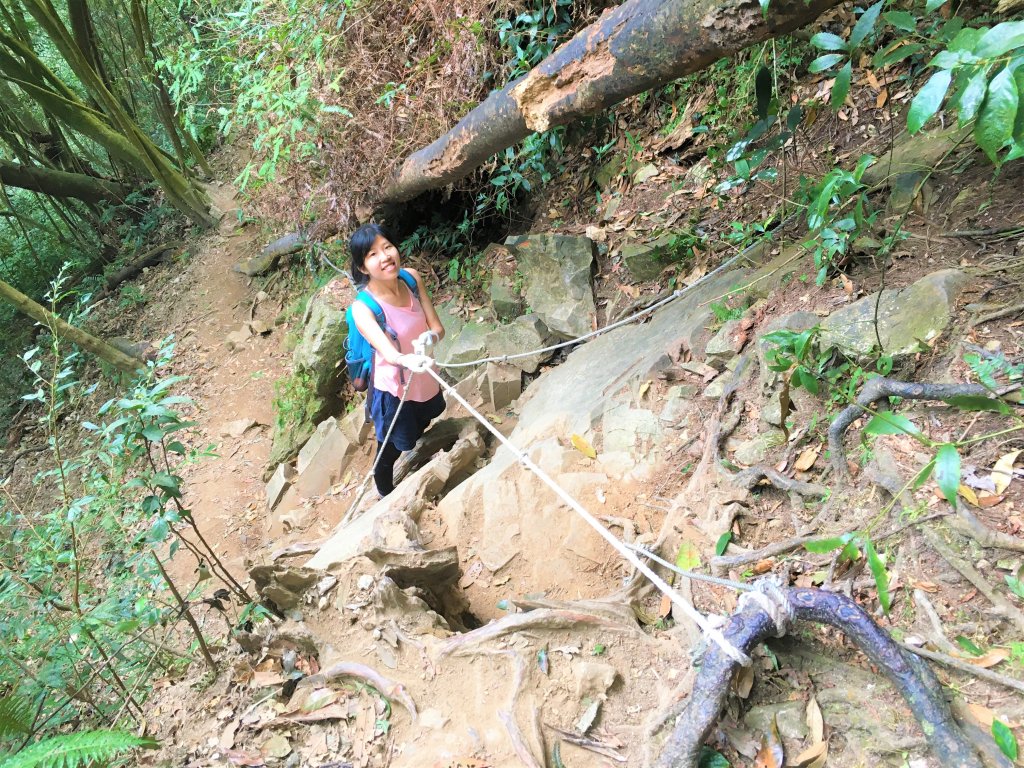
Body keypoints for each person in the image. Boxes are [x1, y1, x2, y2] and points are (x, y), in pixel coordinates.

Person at [349, 223, 446, 497]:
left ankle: (416, 460)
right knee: (390, 449)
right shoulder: (363, 308)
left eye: (387, 247)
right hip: (394, 391)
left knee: (422, 424)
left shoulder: (412, 279)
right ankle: (384, 493)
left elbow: (437, 328)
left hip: (425, 378)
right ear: (363, 268)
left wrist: (431, 339)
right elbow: (388, 353)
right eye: (372, 254)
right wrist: (406, 359)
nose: (385, 256)